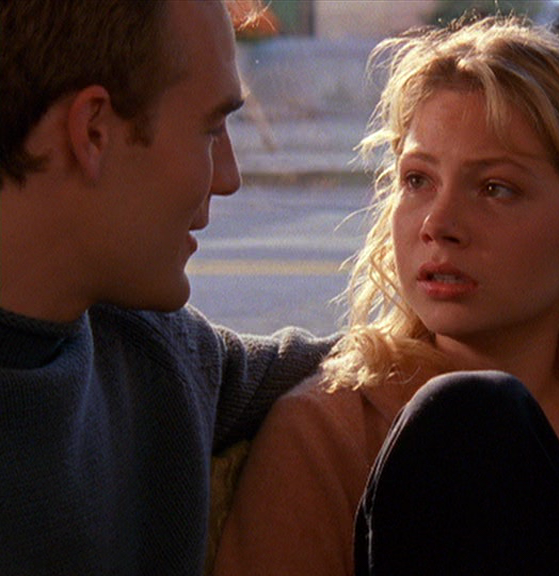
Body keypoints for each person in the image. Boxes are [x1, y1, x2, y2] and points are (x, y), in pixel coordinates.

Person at [213, 15, 559, 576]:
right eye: (417, 180)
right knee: (464, 418)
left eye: (495, 188)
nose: (438, 224)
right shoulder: (329, 429)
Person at [0, 1, 337, 574]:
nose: (229, 178)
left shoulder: (149, 352)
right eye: (211, 129)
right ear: (93, 131)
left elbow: (364, 366)